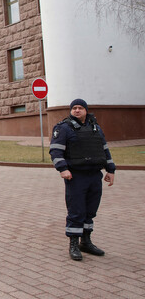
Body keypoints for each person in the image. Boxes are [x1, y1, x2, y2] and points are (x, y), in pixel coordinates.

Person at [49, 98, 115, 261]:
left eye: (80, 108)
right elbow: (55, 150)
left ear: (86, 110)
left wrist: (110, 170)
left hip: (94, 176)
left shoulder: (95, 127)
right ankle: (74, 244)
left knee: (90, 210)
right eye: (74, 108)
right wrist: (63, 169)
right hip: (76, 176)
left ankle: (86, 242)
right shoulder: (63, 128)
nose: (77, 110)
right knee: (76, 211)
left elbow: (104, 149)